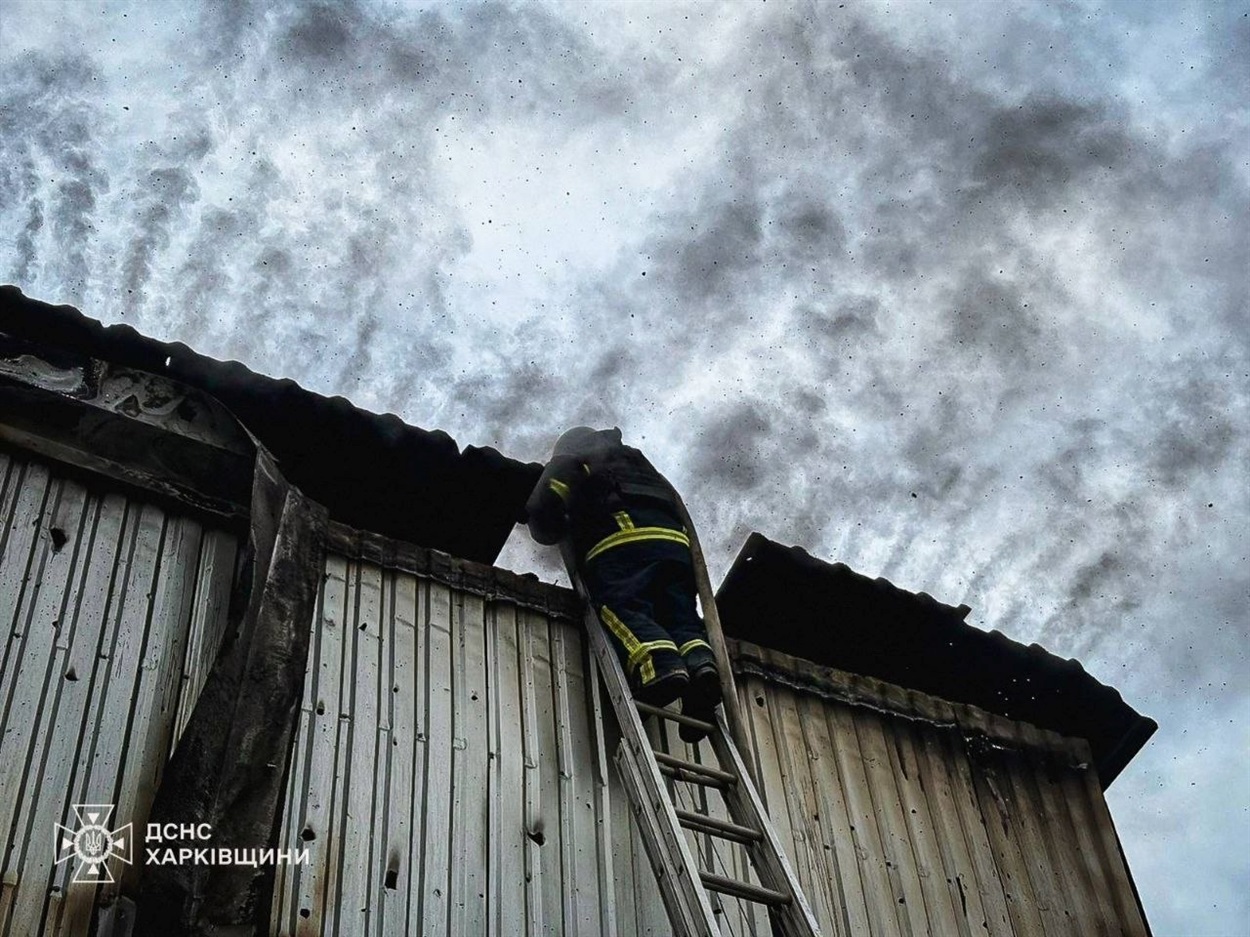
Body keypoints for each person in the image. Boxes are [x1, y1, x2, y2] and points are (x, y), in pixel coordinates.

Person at [525, 427, 722, 740]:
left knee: (620, 606)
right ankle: (701, 668)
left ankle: (658, 667)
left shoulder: (575, 458)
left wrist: (549, 524)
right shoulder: (638, 462)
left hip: (622, 542)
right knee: (678, 615)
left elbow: (543, 506)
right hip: (675, 548)